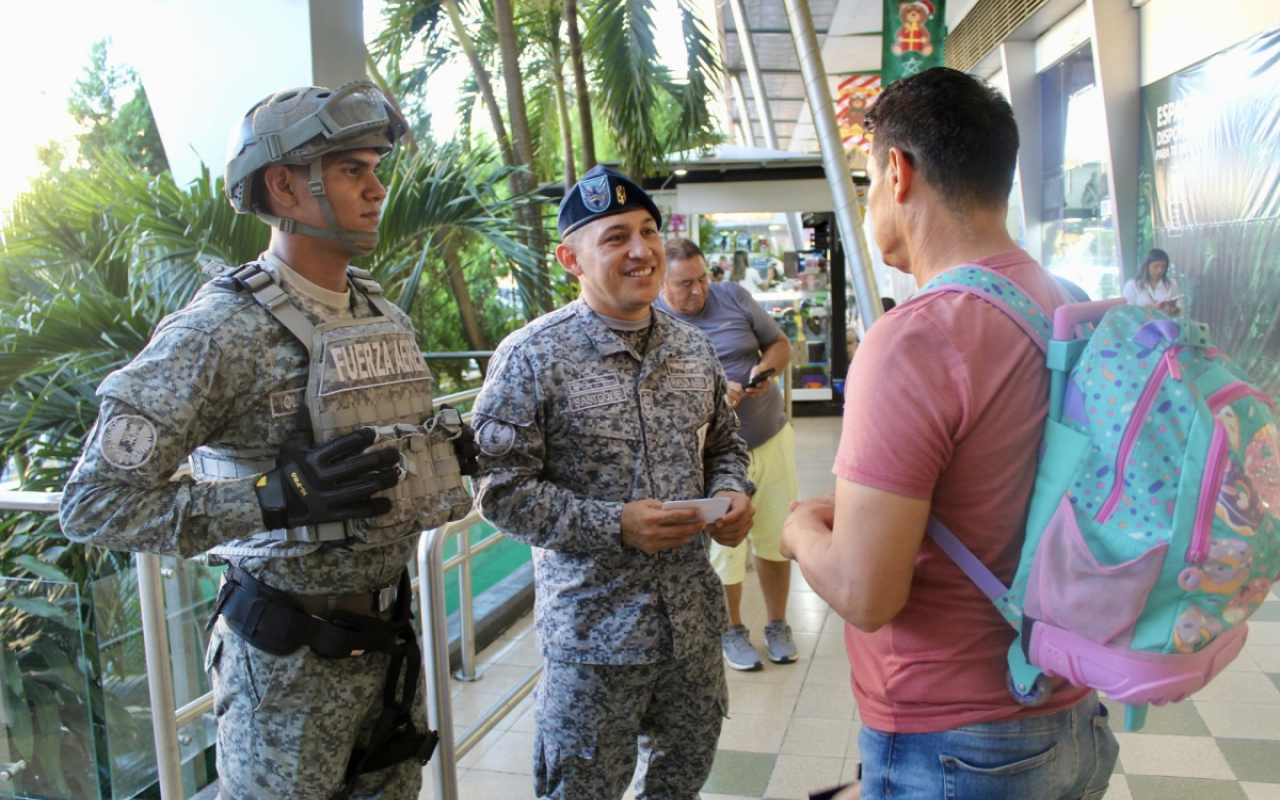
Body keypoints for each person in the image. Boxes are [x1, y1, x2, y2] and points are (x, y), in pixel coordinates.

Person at [60, 81, 477, 800]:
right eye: (353, 171)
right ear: (283, 186)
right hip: (284, 669)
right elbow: (93, 505)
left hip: (390, 649)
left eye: (376, 169)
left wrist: (439, 453)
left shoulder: (380, 314)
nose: (378, 190)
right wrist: (268, 500)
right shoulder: (217, 333)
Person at [781, 68, 1118, 800]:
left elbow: (867, 592)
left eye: (870, 179)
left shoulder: (917, 339)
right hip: (1073, 716)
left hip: (958, 744)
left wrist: (801, 528)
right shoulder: (1068, 304)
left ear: (897, 172)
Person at [471, 164, 755, 800]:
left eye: (650, 231)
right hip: (593, 639)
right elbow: (498, 491)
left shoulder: (693, 347)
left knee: (680, 784)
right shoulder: (532, 356)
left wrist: (735, 493)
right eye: (616, 237)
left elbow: (725, 447)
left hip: (692, 629)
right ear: (570, 258)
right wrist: (614, 525)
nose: (641, 250)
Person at [654, 237, 799, 670]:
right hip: (710, 457)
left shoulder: (733, 296)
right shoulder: (652, 321)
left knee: (775, 538)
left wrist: (764, 371)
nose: (698, 290)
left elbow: (780, 344)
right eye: (684, 284)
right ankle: (731, 629)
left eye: (702, 279)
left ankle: (778, 623)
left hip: (769, 437)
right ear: (662, 282)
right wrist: (714, 394)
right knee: (725, 550)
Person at [1123, 247, 1182, 316]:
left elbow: (1180, 312)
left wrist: (1173, 307)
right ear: (1147, 266)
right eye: (1156, 266)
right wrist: (1149, 307)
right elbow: (1127, 311)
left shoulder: (1172, 283)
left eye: (1163, 267)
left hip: (1165, 324)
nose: (1160, 270)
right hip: (1141, 324)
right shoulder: (1133, 284)